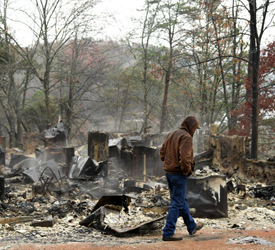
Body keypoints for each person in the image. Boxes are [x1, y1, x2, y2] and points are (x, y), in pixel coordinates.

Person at [160, 115, 203, 241]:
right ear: (191, 126)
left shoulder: (172, 133)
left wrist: (168, 162)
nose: (195, 130)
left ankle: (192, 226)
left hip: (169, 172)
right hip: (178, 174)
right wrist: (187, 171)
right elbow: (185, 158)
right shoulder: (186, 137)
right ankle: (168, 232)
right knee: (177, 203)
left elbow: (162, 152)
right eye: (195, 127)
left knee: (181, 200)